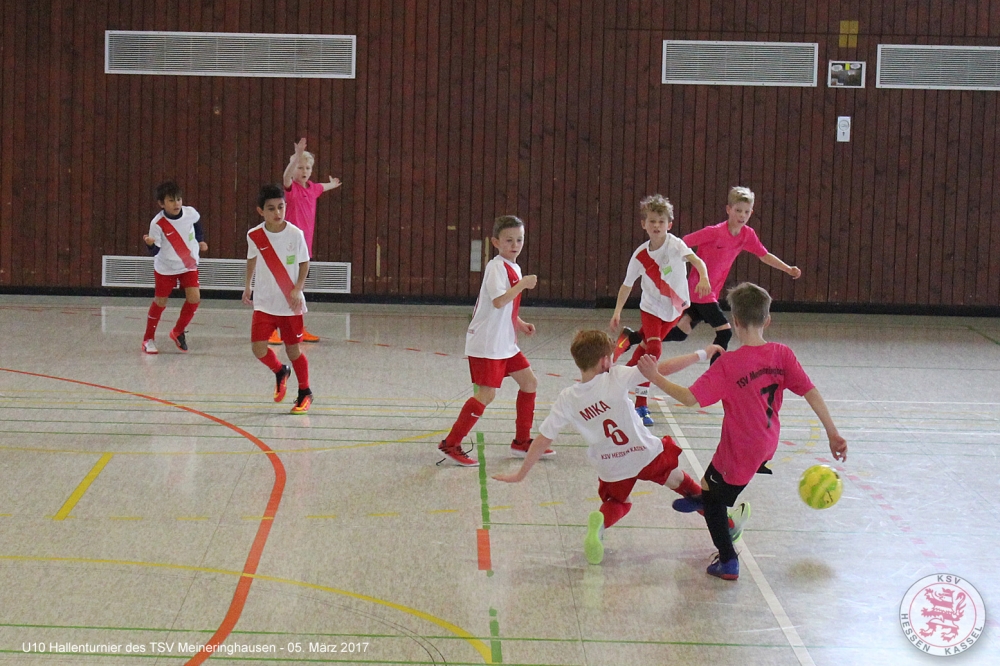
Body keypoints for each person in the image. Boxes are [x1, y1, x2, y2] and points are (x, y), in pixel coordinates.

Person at [638, 282, 847, 581]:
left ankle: (727, 560)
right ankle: (706, 495)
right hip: (766, 440)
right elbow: (810, 392)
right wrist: (832, 433)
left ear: (734, 321)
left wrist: (654, 376)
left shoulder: (729, 364)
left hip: (742, 448)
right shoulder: (782, 354)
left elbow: (689, 398)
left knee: (715, 502)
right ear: (767, 320)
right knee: (711, 478)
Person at [493, 330, 749, 565]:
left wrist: (521, 473)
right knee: (679, 479)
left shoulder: (567, 398)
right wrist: (701, 354)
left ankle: (600, 525)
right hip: (644, 454)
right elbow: (660, 370)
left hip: (612, 465)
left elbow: (543, 439)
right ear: (605, 361)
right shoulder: (616, 377)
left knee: (619, 501)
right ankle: (726, 525)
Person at [615, 186, 801, 365]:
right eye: (738, 210)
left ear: (751, 213)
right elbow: (683, 243)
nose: (742, 215)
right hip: (699, 291)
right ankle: (715, 376)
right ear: (728, 209)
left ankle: (633, 337)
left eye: (746, 212)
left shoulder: (747, 235)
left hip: (710, 292)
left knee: (680, 333)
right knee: (725, 332)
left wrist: (787, 269)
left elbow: (764, 255)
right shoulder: (714, 232)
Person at [437, 215, 546, 467]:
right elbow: (498, 301)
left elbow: (503, 306)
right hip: (488, 343)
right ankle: (450, 444)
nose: (515, 245)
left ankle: (521, 442)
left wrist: (519, 322)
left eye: (519, 239)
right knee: (487, 394)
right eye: (509, 240)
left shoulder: (513, 267)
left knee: (529, 382)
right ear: (496, 242)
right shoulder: (496, 267)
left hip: (505, 342)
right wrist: (523, 285)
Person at [609, 194, 711, 427]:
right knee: (654, 349)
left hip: (675, 309)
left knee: (644, 350)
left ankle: (620, 375)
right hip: (651, 309)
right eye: (652, 221)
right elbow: (627, 285)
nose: (656, 225)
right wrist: (617, 311)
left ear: (669, 225)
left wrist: (704, 277)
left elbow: (697, 261)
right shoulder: (640, 255)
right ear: (643, 224)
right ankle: (640, 403)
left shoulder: (676, 245)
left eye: (661, 221)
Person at [242, 184, 314, 414]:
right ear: (260, 211)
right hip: (264, 302)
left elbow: (304, 263)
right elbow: (251, 259)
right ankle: (280, 370)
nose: (277, 212)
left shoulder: (295, 234)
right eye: (271, 208)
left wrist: (298, 288)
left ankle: (305, 392)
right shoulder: (254, 235)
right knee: (258, 348)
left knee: (293, 351)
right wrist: (247, 285)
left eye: (281, 207)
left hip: (289, 304)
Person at [269, 137, 342, 344]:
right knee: (281, 289)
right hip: (287, 247)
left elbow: (322, 187)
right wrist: (297, 156)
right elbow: (285, 176)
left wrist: (332, 184)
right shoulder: (290, 189)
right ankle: (271, 329)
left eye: (307, 168)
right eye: (300, 167)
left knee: (298, 289)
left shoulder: (312, 188)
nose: (304, 171)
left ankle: (299, 329)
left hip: (304, 249)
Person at [141, 181, 207, 354]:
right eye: (171, 200)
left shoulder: (190, 213)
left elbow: (197, 225)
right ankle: (148, 338)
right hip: (166, 268)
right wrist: (150, 244)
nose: (176, 203)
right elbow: (155, 251)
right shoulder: (157, 224)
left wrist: (200, 240)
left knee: (194, 298)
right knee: (160, 301)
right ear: (161, 204)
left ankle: (178, 331)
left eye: (178, 199)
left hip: (189, 265)